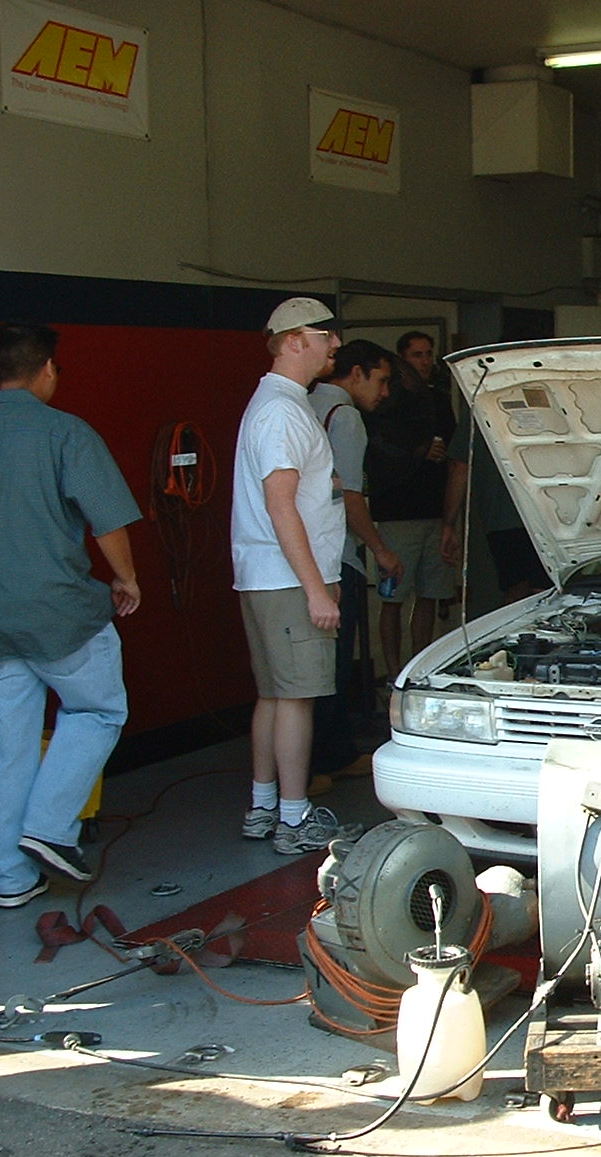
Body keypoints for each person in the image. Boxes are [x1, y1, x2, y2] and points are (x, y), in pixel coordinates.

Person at [0, 323, 141, 908]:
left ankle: (11, 878)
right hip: (59, 613)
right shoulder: (65, 432)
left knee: (4, 745)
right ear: (46, 368)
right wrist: (126, 578)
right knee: (98, 709)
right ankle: (48, 826)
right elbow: (107, 519)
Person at [231, 297, 362, 855]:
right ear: (292, 341)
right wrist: (316, 589)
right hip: (288, 581)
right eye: (325, 334)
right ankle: (294, 817)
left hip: (265, 576)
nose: (336, 344)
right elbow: (281, 504)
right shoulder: (282, 412)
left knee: (275, 696)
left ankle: (264, 807)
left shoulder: (279, 404)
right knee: (298, 699)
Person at [307, 340, 401, 791]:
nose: (384, 393)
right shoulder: (344, 417)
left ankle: (330, 753)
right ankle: (322, 759)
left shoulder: (304, 404)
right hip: (336, 556)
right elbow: (350, 497)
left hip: (301, 556)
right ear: (357, 373)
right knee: (334, 665)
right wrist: (381, 550)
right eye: (381, 380)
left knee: (315, 666)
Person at [363, 330, 455, 683]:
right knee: (393, 598)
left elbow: (454, 451)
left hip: (435, 509)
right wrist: (417, 451)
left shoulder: (438, 400)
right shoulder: (384, 402)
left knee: (430, 594)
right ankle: (392, 673)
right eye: (417, 354)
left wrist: (452, 518)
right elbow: (377, 450)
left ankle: (419, 671)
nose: (425, 361)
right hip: (396, 511)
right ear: (402, 359)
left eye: (429, 353)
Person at [440, 412, 550, 610]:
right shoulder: (552, 403)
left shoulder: (482, 406)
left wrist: (449, 524)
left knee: (516, 595)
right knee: (548, 593)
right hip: (554, 515)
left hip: (504, 517)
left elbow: (460, 467)